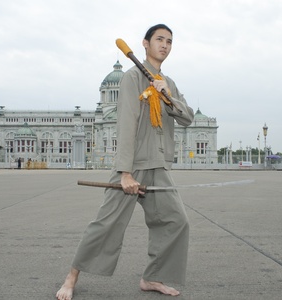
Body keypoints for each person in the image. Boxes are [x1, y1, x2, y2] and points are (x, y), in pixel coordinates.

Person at [56, 24, 195, 300]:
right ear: (145, 43)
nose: (165, 45)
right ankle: (71, 277)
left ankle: (152, 277)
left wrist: (168, 94)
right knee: (107, 224)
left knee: (177, 221)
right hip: (133, 164)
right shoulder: (132, 78)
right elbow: (126, 124)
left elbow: (187, 118)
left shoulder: (169, 82)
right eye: (159, 39)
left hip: (159, 165)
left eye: (169, 41)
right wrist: (125, 172)